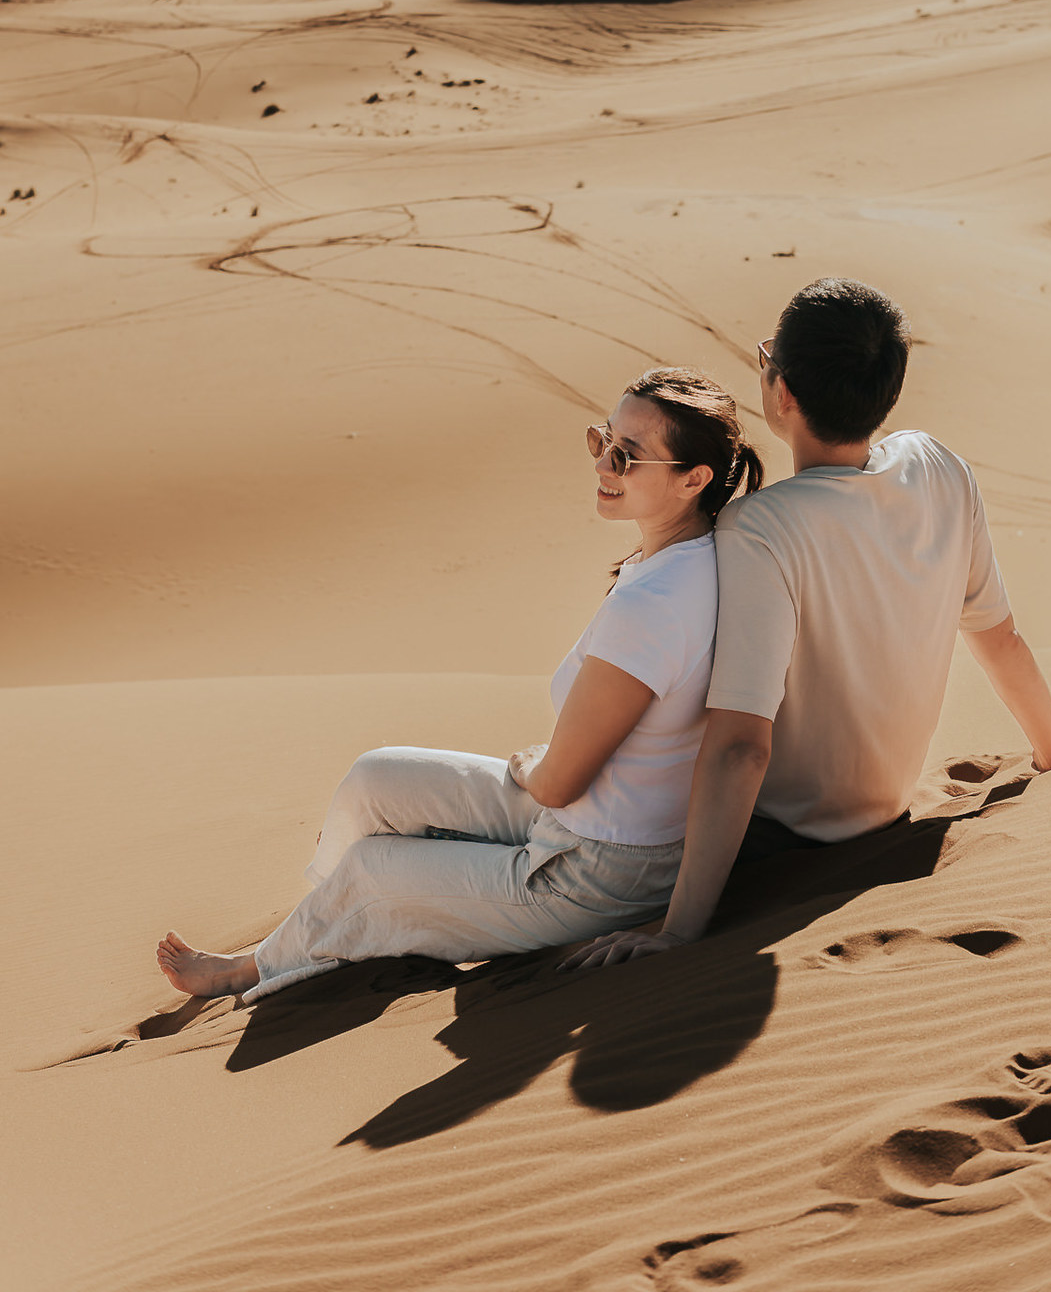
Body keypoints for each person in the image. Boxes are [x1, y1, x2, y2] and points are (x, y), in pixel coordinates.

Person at [156, 368, 764, 1002]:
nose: (602, 464)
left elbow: (560, 780)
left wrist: (533, 765)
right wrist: (542, 775)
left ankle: (257, 967)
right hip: (573, 824)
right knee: (376, 778)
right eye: (600, 440)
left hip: (594, 869)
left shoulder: (656, 607)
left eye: (626, 456)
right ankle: (314, 925)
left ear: (693, 479)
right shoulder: (684, 556)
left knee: (374, 871)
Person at [567, 278, 1051, 971]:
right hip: (885, 809)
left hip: (775, 839)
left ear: (781, 392)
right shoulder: (940, 467)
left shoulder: (760, 526)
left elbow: (740, 748)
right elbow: (998, 639)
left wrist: (679, 931)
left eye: (767, 357)